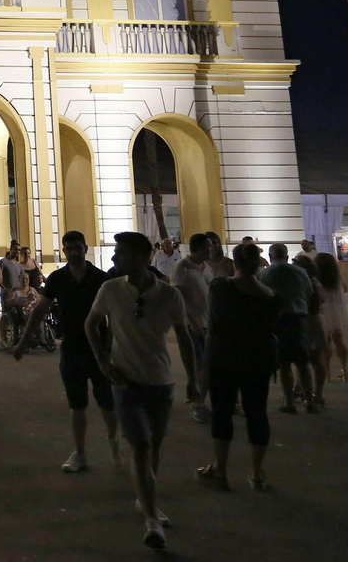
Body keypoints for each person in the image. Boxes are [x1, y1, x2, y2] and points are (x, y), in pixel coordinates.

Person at [85, 231, 198, 552]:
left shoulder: (168, 295)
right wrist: (104, 363)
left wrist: (193, 379)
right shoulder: (110, 289)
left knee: (154, 448)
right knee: (142, 447)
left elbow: (185, 338)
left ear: (140, 257)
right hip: (126, 383)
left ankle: (144, 499)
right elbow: (90, 324)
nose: (113, 258)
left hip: (161, 382)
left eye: (119, 252)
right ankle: (151, 519)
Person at [17, 230, 121, 472]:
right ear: (64, 251)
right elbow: (40, 310)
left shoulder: (100, 278)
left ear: (85, 248)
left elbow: (113, 316)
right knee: (77, 404)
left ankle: (114, 443)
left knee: (107, 402)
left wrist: (110, 348)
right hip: (72, 348)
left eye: (78, 248)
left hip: (99, 350)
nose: (74, 252)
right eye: (70, 249)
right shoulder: (57, 279)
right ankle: (80, 453)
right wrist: (23, 341)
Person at [195, 243, 281, 493]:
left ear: (234, 262)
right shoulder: (271, 296)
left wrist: (205, 366)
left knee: (222, 413)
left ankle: (220, 469)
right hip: (258, 360)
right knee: (257, 413)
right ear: (258, 264)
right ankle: (256, 471)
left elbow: (214, 327)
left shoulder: (220, 288)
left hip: (225, 359)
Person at [261, 243, 318, 414]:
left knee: (283, 364)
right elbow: (308, 292)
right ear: (286, 256)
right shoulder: (300, 272)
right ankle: (309, 401)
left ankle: (288, 402)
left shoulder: (265, 273)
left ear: (270, 257)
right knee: (303, 362)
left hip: (278, 321)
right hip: (299, 318)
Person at [169, 233, 214, 422]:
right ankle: (198, 404)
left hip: (208, 324)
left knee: (207, 365)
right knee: (199, 365)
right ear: (200, 248)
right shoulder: (182, 268)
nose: (213, 249)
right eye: (209, 246)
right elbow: (176, 299)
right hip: (192, 326)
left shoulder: (206, 268)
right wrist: (191, 322)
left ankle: (200, 400)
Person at [292, 254, 327, 406]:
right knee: (309, 359)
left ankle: (316, 394)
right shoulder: (315, 282)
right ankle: (301, 389)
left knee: (311, 360)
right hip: (314, 320)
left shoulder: (307, 283)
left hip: (309, 321)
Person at [314, 253, 348, 381]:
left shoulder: (316, 279)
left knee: (325, 343)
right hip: (336, 311)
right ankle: (344, 369)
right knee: (339, 341)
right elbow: (344, 290)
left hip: (323, 311)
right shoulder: (337, 278)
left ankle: (327, 371)